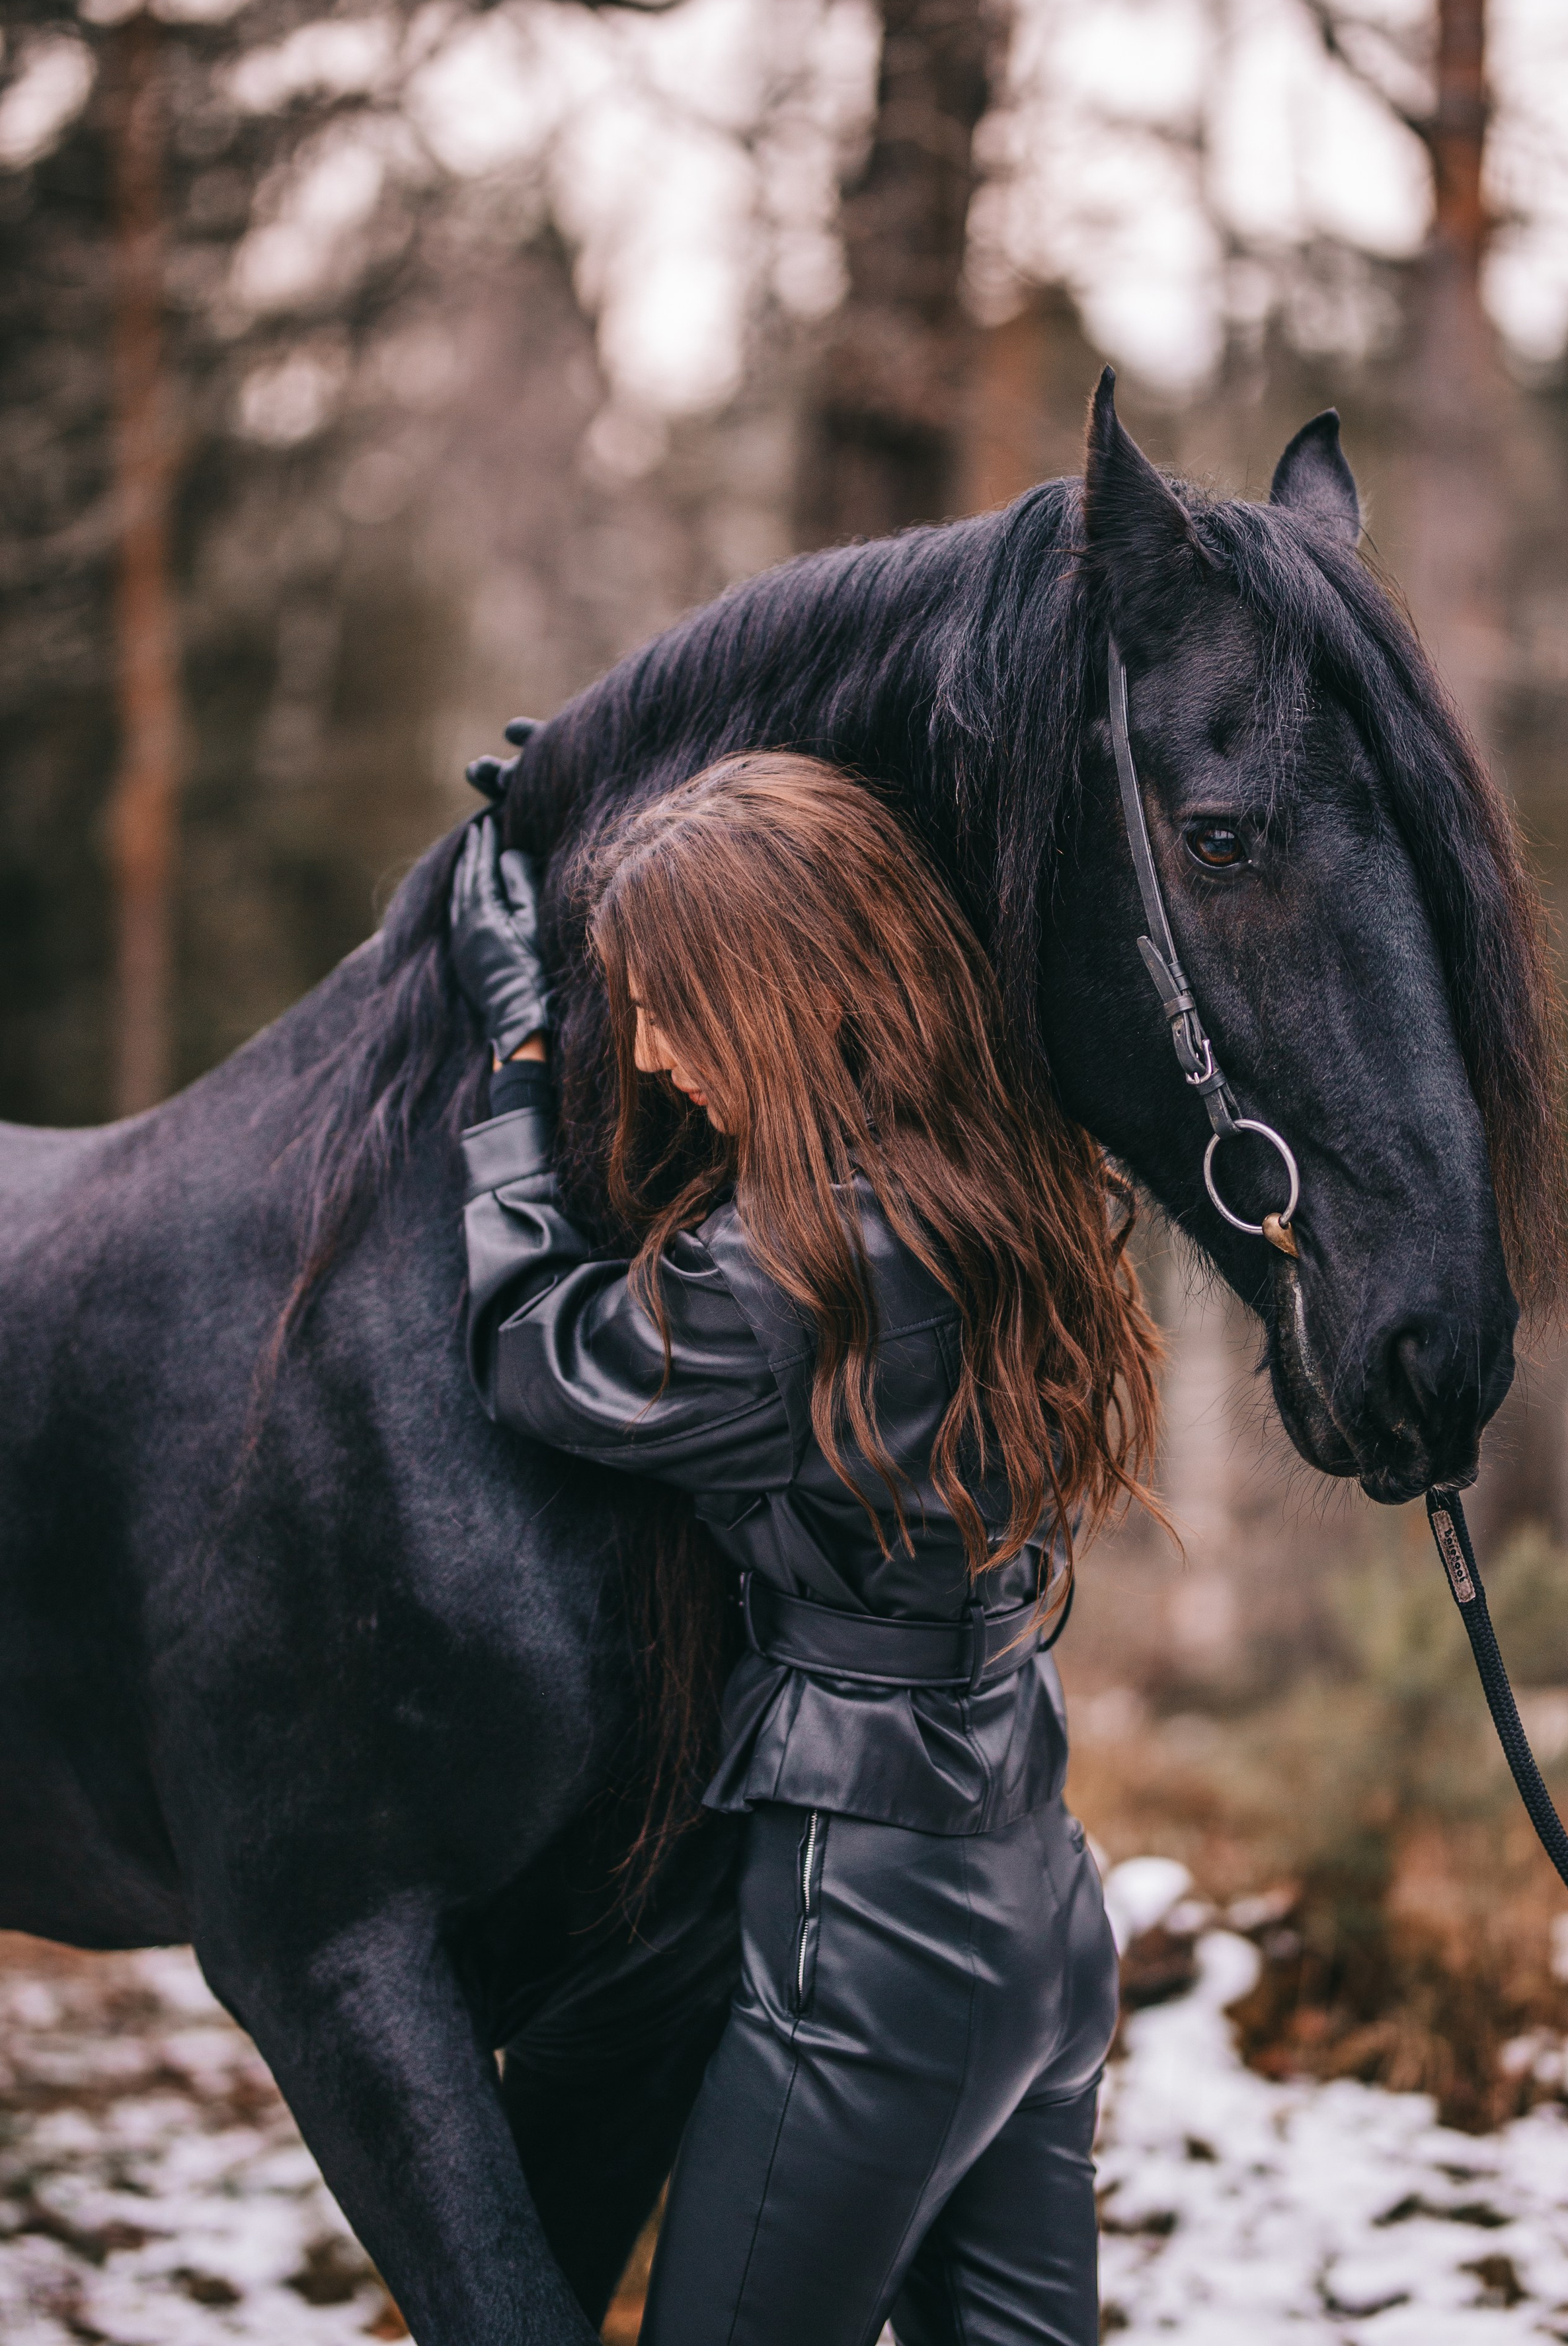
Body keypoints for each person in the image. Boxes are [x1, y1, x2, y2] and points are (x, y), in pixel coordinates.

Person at [449, 751, 1161, 2346]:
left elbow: (532, 1347)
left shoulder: (784, 1282)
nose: (638, 1053)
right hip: (1041, 1899)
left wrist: (512, 1058)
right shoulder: (995, 1167)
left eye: (663, 1004)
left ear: (775, 990)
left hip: (878, 1941)